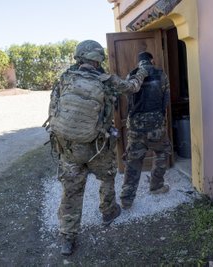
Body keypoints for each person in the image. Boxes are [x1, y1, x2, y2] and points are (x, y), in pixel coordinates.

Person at [46, 40, 148, 256]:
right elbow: (132, 87)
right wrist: (142, 73)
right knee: (107, 177)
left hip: (69, 148)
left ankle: (67, 238)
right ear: (97, 59)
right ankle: (108, 211)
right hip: (98, 148)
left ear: (79, 57)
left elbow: (53, 108)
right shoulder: (107, 80)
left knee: (71, 192)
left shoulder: (65, 78)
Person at [120, 51, 171, 210]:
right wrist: (161, 118)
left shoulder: (132, 75)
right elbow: (165, 99)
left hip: (136, 126)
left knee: (133, 161)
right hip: (156, 125)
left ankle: (127, 199)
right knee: (162, 153)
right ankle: (156, 186)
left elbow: (129, 101)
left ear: (139, 62)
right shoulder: (161, 74)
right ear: (152, 59)